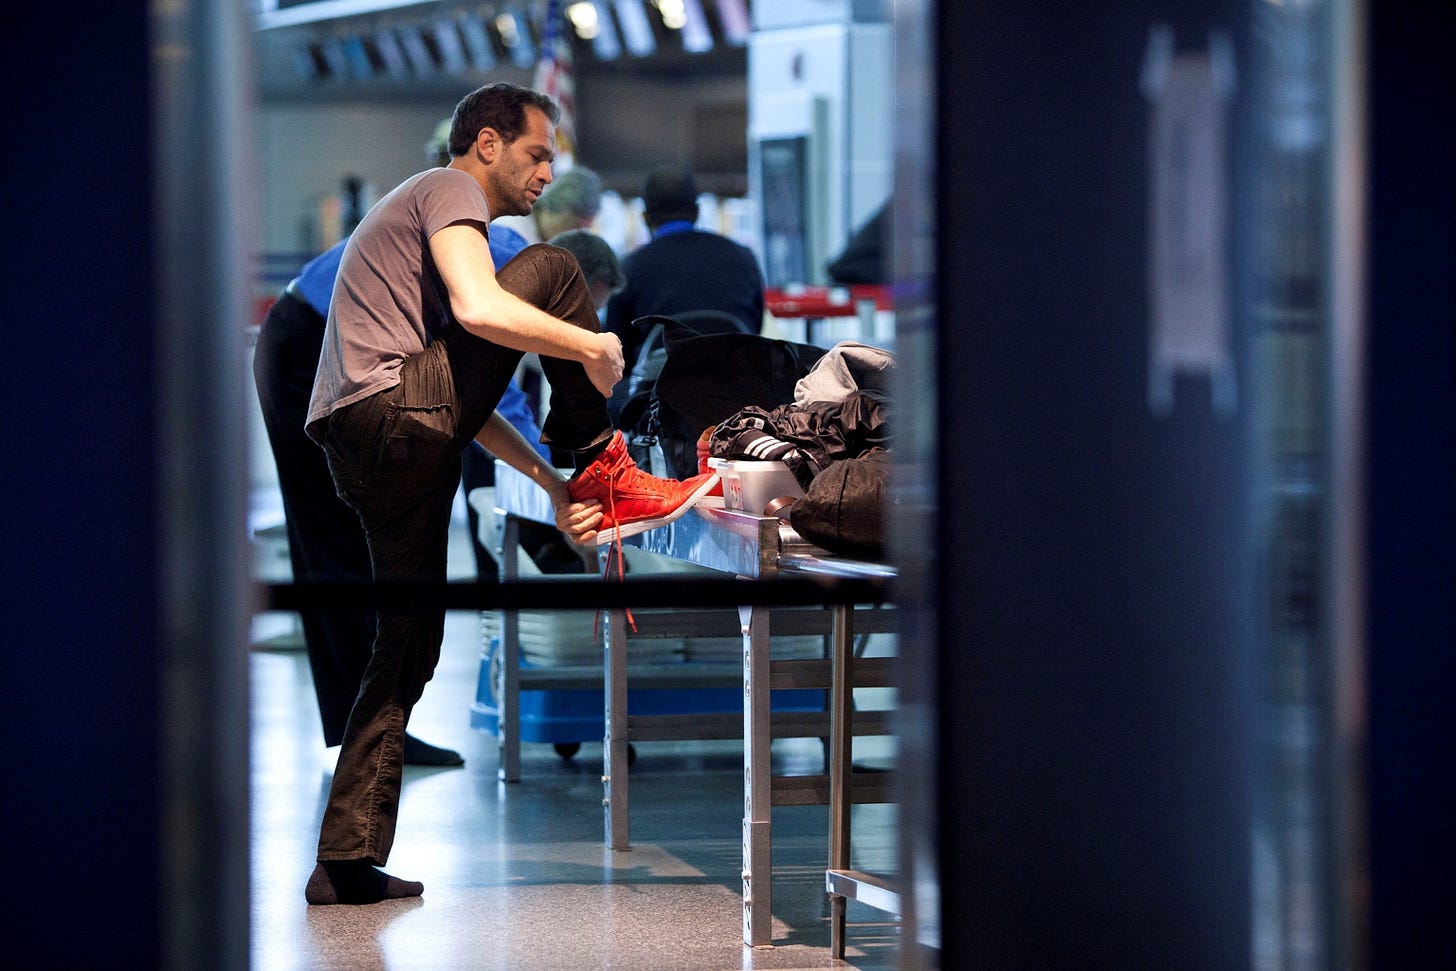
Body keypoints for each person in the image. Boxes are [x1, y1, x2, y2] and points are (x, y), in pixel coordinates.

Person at [301, 82, 716, 906]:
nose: (544, 174)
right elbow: (481, 306)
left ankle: (344, 862)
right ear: (486, 143)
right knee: (558, 264)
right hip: (391, 420)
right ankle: (602, 455)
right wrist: (593, 345)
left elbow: (462, 398)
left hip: (379, 439)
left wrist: (552, 484)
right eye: (535, 155)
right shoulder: (448, 188)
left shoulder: (432, 232)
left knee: (408, 643)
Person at [604, 165, 766, 372]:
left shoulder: (631, 267)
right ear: (697, 212)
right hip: (738, 387)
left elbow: (618, 352)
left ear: (645, 217)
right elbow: (754, 331)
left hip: (659, 396)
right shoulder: (743, 257)